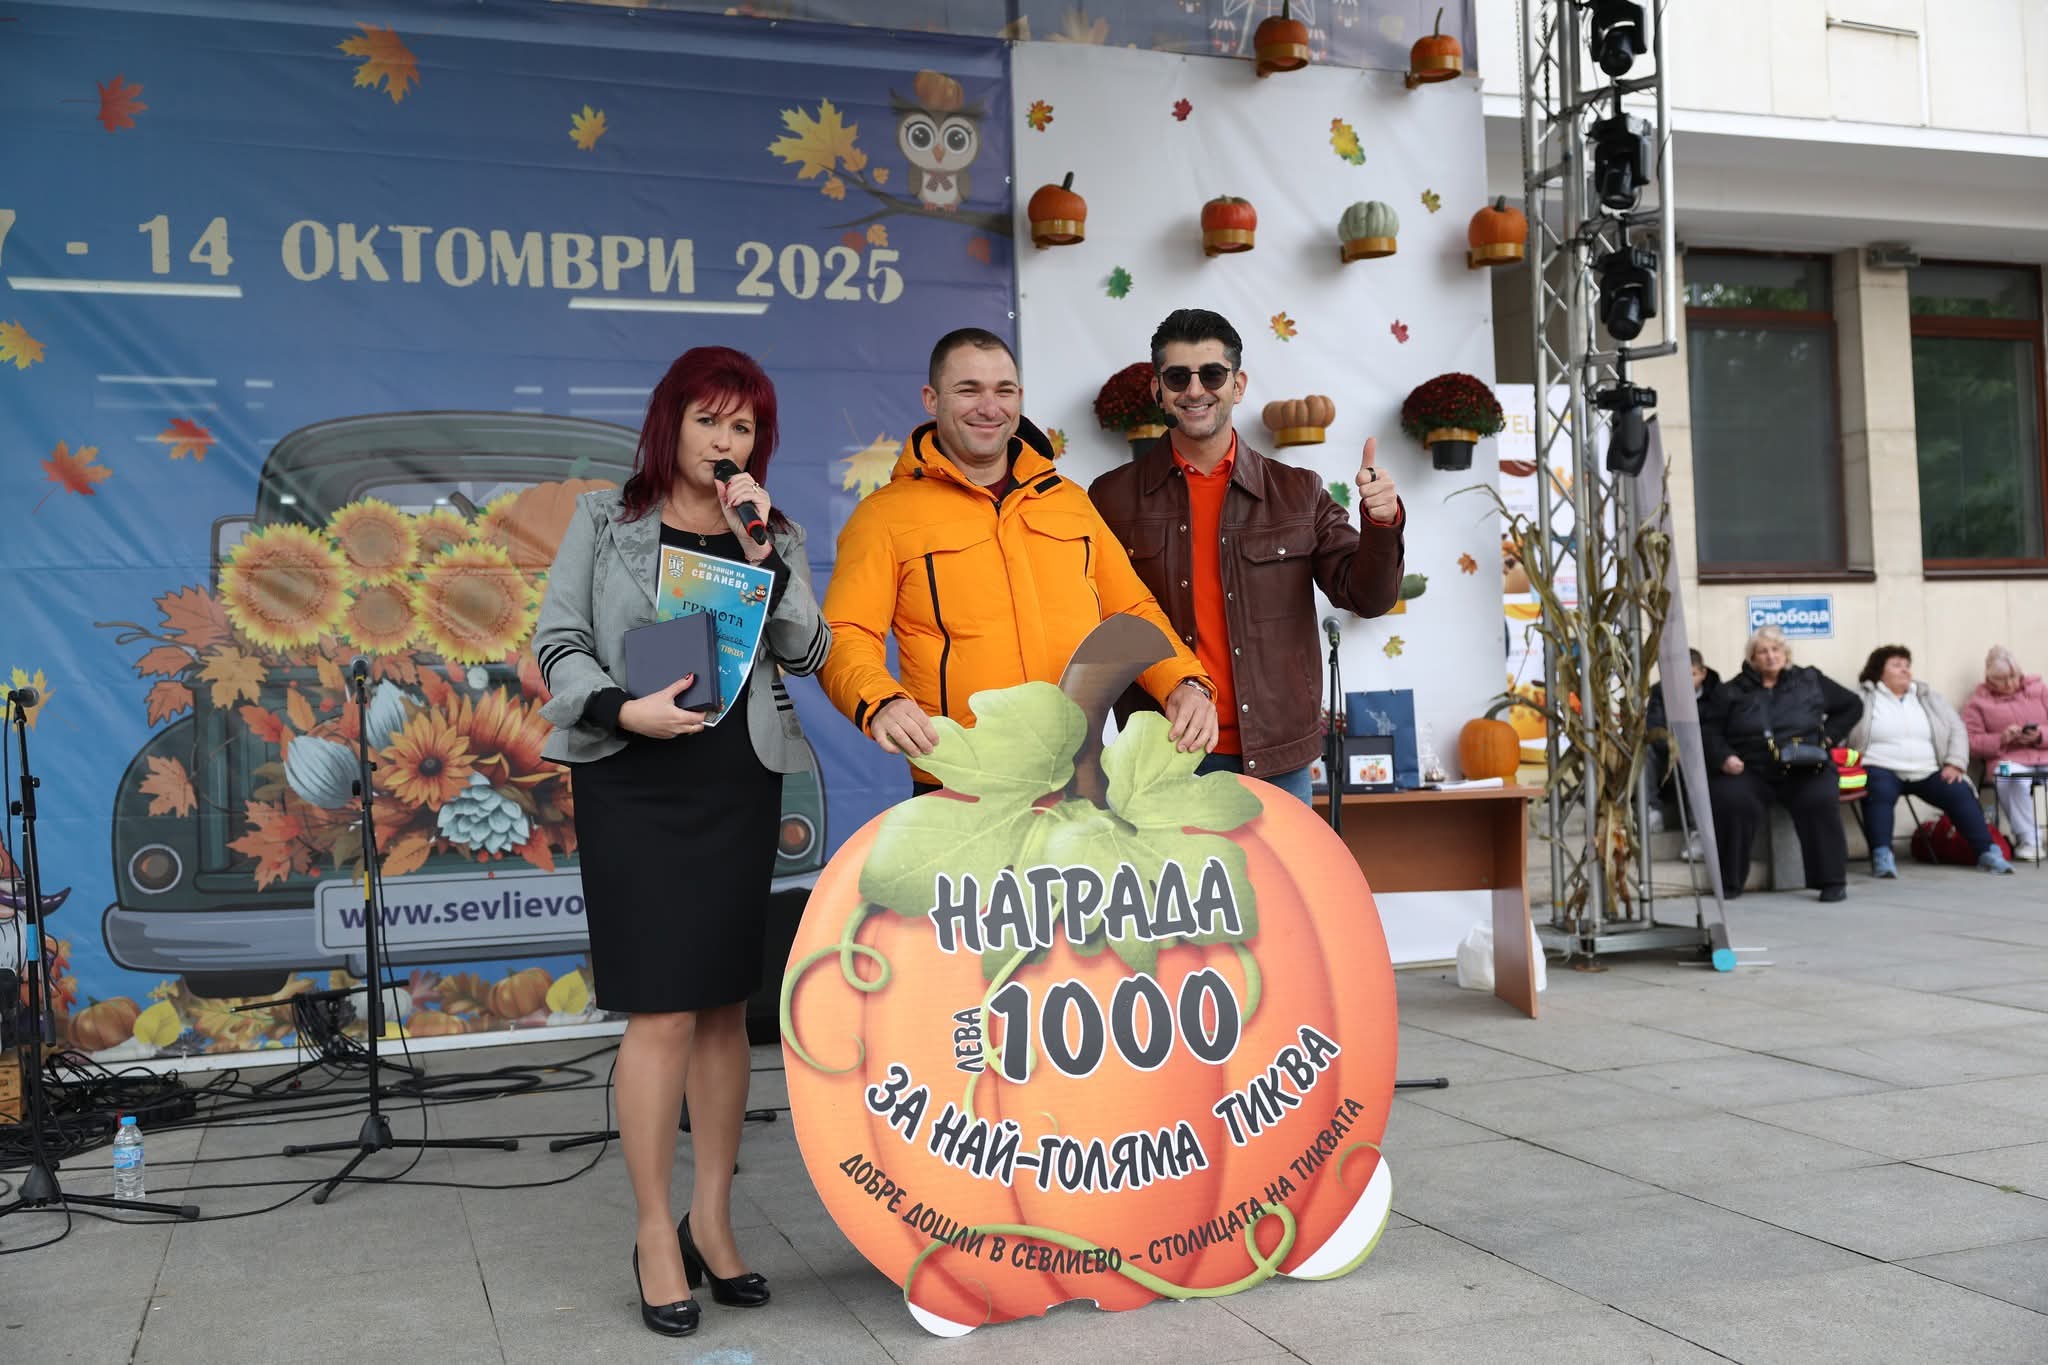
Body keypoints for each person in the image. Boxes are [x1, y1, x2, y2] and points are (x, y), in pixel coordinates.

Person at [533, 346, 830, 1337]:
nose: (724, 440)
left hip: (734, 777)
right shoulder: (602, 521)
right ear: (671, 423)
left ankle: (713, 1219)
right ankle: (655, 1229)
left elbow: (807, 649)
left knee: (720, 1007)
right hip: (635, 774)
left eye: (743, 426)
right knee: (661, 1007)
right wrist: (623, 709)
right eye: (709, 420)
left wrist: (765, 556)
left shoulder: (771, 531)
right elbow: (557, 643)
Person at [819, 327, 1216, 787]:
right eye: (969, 390)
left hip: (1079, 780)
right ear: (931, 399)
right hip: (960, 781)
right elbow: (847, 632)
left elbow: (1131, 611)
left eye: (1003, 391)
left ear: (1019, 398)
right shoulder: (884, 517)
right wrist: (880, 700)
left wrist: (1183, 681)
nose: (990, 408)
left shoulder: (1070, 501)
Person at [1087, 308, 1404, 802]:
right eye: (1178, 377)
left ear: (1238, 385)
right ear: (1158, 390)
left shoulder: (1298, 492)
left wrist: (1381, 523)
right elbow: (1097, 623)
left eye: (1212, 374)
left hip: (1276, 764)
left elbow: (1367, 597)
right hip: (1159, 760)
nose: (1195, 390)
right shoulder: (1111, 499)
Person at [1699, 626, 1862, 901]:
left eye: (1776, 649)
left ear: (1786, 653)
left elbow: (1852, 705)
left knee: (1820, 799)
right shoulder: (1731, 691)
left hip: (1804, 766)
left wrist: (1828, 738)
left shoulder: (1810, 680)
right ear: (1752, 658)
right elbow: (1709, 731)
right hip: (1751, 768)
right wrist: (1724, 757)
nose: (1770, 656)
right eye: (1762, 651)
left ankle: (1831, 881)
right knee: (1731, 799)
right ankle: (1729, 882)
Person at [1847, 645, 2013, 878]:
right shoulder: (1862, 698)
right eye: (1896, 665)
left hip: (1928, 769)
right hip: (1881, 766)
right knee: (1879, 790)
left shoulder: (1928, 697)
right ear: (1878, 671)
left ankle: (1987, 852)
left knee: (1958, 790)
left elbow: (1957, 729)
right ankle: (1882, 855)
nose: (1905, 670)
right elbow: (1843, 730)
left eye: (1907, 665)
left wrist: (1955, 763)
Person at [1964, 645, 2048, 860]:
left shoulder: (2040, 691)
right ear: (1989, 680)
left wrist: (2040, 735)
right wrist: (2000, 739)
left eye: (2013, 677)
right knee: (2011, 776)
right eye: (2002, 680)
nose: (2010, 684)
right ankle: (2029, 840)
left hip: (2044, 755)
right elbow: (1971, 742)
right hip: (2004, 760)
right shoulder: (1978, 703)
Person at [1646, 647, 1720, 851]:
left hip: (1702, 757)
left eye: (1692, 675)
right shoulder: (1661, 693)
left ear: (1702, 673)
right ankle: (1652, 810)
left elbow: (1717, 730)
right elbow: (1654, 728)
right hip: (1669, 758)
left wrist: (1691, 750)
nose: (1685, 682)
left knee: (1694, 763)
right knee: (1644, 751)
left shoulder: (1716, 693)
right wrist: (1673, 748)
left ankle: (1697, 833)